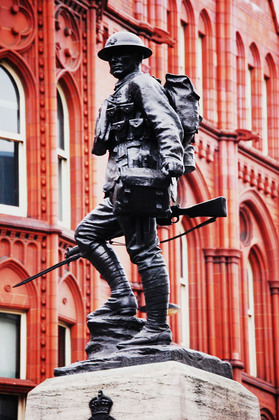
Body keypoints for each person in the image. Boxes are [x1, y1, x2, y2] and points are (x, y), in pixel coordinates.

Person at [74, 31, 184, 347]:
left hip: (141, 180)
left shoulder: (143, 84)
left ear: (137, 58)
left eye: (123, 55)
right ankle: (123, 297)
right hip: (121, 184)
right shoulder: (117, 93)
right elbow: (100, 145)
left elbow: (166, 122)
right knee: (87, 234)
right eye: (111, 57)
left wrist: (173, 157)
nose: (116, 61)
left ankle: (158, 328)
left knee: (145, 251)